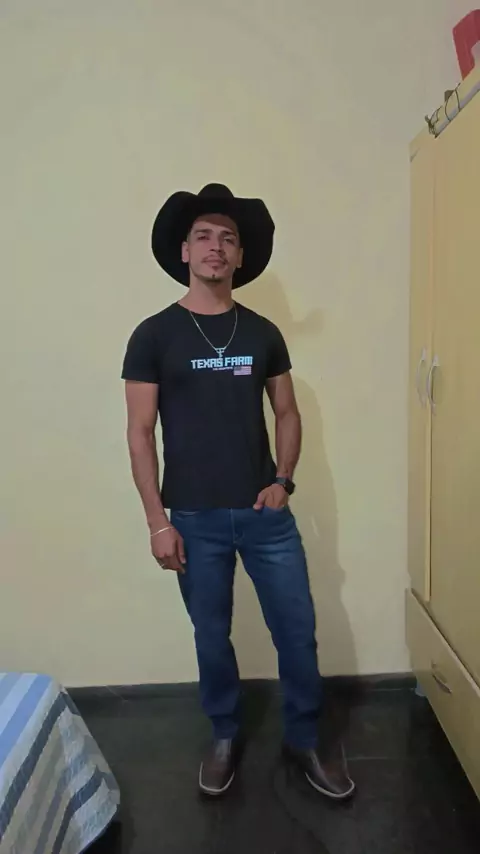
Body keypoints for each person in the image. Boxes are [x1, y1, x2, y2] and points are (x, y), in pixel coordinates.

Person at [122, 183, 355, 800]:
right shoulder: (153, 335)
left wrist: (283, 480)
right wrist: (157, 522)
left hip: (264, 515)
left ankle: (304, 738)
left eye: (227, 239)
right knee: (211, 635)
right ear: (184, 251)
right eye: (203, 236)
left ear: (240, 257)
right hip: (192, 519)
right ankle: (224, 734)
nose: (215, 247)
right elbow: (140, 433)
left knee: (297, 632)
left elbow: (288, 411)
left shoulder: (262, 333)